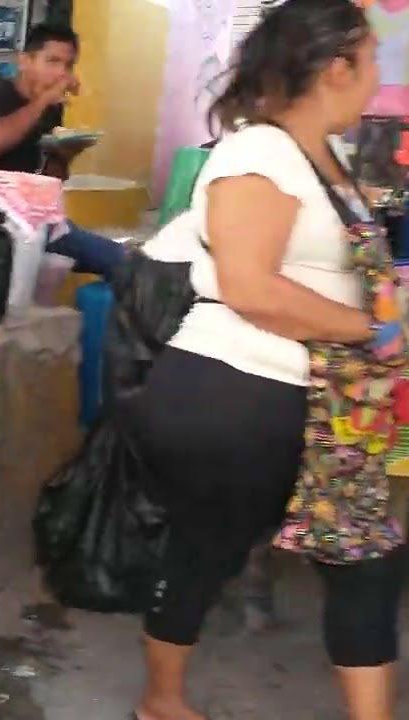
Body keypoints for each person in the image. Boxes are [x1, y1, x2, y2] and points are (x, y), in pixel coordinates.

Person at [127, 2, 404, 719]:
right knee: (205, 552)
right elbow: (251, 288)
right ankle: (161, 702)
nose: (377, 80)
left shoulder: (327, 160)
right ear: (336, 67)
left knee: (366, 563)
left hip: (326, 404)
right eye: (370, 61)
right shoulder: (257, 153)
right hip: (238, 390)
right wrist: (375, 333)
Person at [0, 23, 124, 278]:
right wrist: (42, 100)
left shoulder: (51, 110)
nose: (61, 74)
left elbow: (48, 181)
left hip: (32, 219)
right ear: (24, 61)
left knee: (126, 261)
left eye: (67, 65)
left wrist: (64, 154)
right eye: (52, 62)